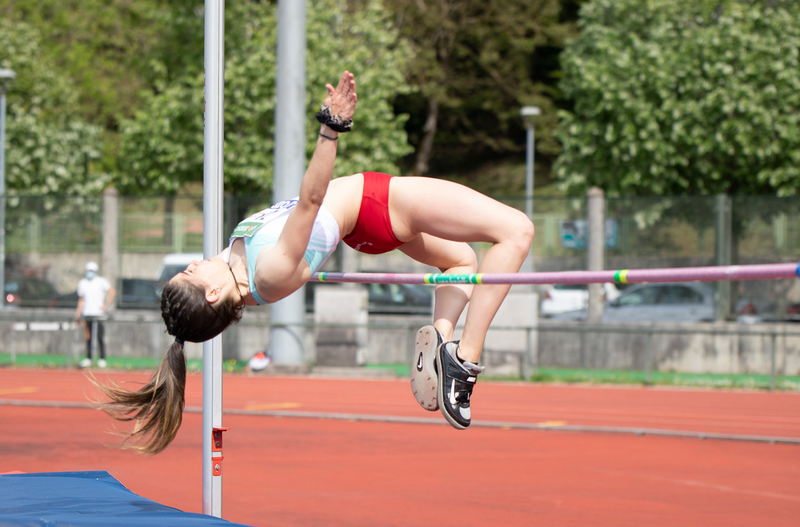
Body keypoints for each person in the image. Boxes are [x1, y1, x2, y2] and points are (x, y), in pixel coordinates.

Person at [96, 71, 534, 454]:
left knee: (460, 261)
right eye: (190, 272)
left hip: (366, 222)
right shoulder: (267, 275)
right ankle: (465, 362)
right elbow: (309, 201)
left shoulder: (238, 266)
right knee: (516, 230)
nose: (193, 261)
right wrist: (331, 128)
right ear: (212, 292)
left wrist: (213, 113)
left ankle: (440, 343)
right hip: (379, 203)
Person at [74, 261, 116, 369]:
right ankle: (89, 358)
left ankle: (102, 358)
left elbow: (112, 292)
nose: (89, 273)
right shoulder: (82, 283)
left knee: (100, 337)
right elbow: (81, 300)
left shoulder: (101, 281)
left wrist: (105, 305)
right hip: (87, 314)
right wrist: (77, 315)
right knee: (88, 337)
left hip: (99, 314)